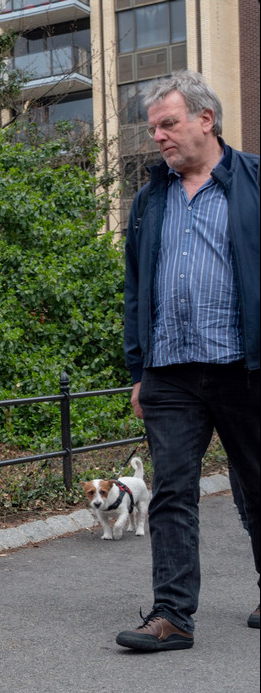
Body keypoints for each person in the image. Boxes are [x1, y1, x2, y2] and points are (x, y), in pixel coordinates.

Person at [119, 70, 260, 651]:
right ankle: (172, 614)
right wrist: (138, 371)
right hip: (171, 371)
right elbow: (134, 287)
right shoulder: (150, 198)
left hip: (243, 367)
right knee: (173, 492)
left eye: (168, 123)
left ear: (206, 119)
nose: (159, 136)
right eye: (153, 128)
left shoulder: (253, 182)